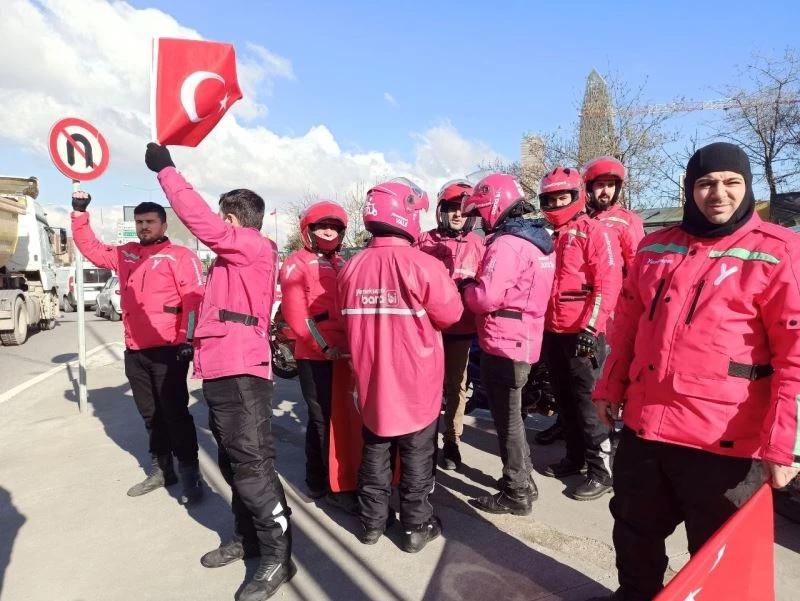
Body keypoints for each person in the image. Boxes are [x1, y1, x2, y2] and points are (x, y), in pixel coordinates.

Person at [589, 142, 800, 601]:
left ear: (747, 188)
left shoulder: (780, 251)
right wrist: (610, 385)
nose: (717, 194)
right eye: (705, 183)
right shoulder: (655, 246)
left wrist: (782, 446)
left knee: (716, 556)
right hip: (646, 429)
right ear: (690, 189)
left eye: (730, 183)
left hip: (722, 442)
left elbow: (794, 357)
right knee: (633, 533)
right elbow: (626, 323)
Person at [144, 144, 294, 601]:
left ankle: (275, 557)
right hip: (223, 372)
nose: (215, 224)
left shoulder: (249, 244)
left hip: (242, 374)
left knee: (251, 467)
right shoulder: (237, 256)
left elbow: (199, 223)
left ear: (231, 219)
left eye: (219, 218)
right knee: (234, 463)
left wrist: (168, 172)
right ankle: (247, 539)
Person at [338, 178, 463, 552]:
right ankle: (415, 527)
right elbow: (452, 314)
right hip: (416, 385)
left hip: (371, 383)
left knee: (374, 454)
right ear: (405, 213)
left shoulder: (350, 267)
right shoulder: (423, 265)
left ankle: (371, 524)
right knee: (416, 460)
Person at [70, 193, 205, 505]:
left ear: (163, 224)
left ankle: (190, 475)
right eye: (140, 222)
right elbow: (91, 248)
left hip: (170, 351)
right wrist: (79, 213)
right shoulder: (127, 254)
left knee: (174, 413)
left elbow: (194, 300)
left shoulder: (180, 256)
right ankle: (161, 470)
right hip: (136, 351)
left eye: (150, 222)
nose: (144, 227)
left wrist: (188, 339)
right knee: (150, 415)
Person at [460, 173, 555, 516]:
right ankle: (524, 480)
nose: (482, 220)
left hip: (503, 342)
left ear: (495, 205)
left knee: (508, 422)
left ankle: (516, 491)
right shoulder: (537, 239)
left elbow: (486, 297)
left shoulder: (506, 244)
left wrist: (466, 288)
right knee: (513, 416)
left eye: (482, 212)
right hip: (524, 339)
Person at [538, 167, 622, 501]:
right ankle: (574, 459)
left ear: (577, 196)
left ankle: (602, 471)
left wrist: (592, 326)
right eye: (551, 198)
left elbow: (608, 283)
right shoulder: (548, 237)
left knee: (589, 405)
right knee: (566, 402)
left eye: (563, 197)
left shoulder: (595, 232)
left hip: (584, 332)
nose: (557, 203)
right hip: (553, 331)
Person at [279, 201, 356, 511]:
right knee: (322, 420)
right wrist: (325, 347)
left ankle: (338, 477)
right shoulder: (296, 264)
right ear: (308, 230)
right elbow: (298, 316)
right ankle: (323, 482)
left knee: (342, 419)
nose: (329, 231)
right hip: (317, 356)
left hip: (346, 355)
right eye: (323, 226)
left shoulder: (342, 264)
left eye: (335, 227)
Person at [416, 179, 485, 470]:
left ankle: (452, 441)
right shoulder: (423, 242)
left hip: (461, 330)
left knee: (456, 386)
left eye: (464, 209)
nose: (458, 214)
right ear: (441, 211)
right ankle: (424, 442)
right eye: (452, 208)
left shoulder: (479, 244)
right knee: (426, 386)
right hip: (429, 329)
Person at [583, 156, 645, 276]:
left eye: (611, 185)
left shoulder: (627, 220)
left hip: (616, 290)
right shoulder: (583, 219)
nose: (606, 191)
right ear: (590, 188)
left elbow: (636, 263)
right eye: (600, 185)